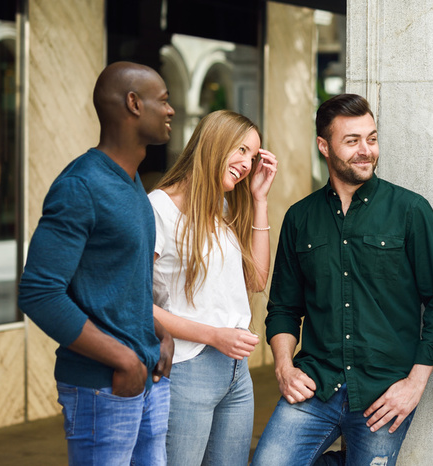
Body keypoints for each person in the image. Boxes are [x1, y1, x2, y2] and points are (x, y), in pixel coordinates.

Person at [251, 93, 433, 466]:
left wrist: (415, 384)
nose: (366, 151)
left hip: (384, 394)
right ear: (323, 146)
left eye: (372, 138)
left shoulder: (410, 210)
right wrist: (284, 368)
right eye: (352, 141)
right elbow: (283, 307)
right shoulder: (301, 218)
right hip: (316, 384)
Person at [18, 62, 175, 465]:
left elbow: (120, 279)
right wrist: (122, 359)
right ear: (134, 104)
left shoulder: (132, 181)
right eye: (164, 101)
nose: (171, 111)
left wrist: (159, 331)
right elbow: (38, 292)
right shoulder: (81, 185)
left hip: (145, 378)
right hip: (102, 386)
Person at [148, 110, 277, 465]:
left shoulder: (220, 210)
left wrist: (260, 201)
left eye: (253, 156)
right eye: (240, 150)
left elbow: (256, 280)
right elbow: (136, 303)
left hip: (236, 372)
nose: (247, 163)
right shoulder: (158, 208)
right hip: (188, 367)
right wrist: (214, 336)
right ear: (214, 143)